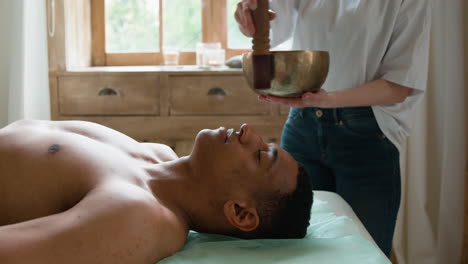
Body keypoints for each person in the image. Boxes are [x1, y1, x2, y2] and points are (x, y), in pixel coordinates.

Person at [235, 0, 431, 257]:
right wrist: (248, 16)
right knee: (294, 251)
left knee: (362, 255)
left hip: (366, 136)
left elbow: (399, 87)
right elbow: (267, 28)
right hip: (302, 127)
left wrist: (328, 100)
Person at [0, 119, 313, 264]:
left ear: (240, 213)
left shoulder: (139, 216)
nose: (248, 131)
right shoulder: (158, 155)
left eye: (260, 155)